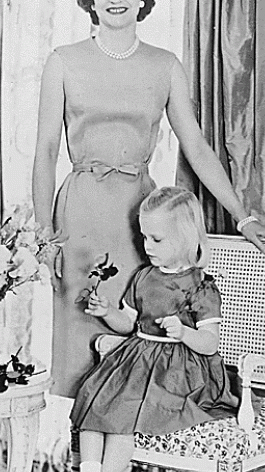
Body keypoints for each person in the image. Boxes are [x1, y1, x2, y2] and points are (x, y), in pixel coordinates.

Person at [32, 0, 265, 398]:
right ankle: (82, 457)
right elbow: (46, 150)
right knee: (79, 341)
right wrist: (44, 235)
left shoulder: (165, 64)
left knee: (140, 332)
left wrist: (243, 216)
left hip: (140, 220)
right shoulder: (62, 60)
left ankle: (133, 457)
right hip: (79, 219)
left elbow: (197, 147)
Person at [70, 186, 242, 472]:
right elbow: (128, 324)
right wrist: (108, 312)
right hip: (137, 360)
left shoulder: (200, 286)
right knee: (96, 400)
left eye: (157, 239)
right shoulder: (144, 277)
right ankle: (89, 467)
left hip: (177, 370)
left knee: (122, 414)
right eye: (144, 237)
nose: (147, 246)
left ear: (185, 237)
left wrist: (185, 333)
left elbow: (210, 343)